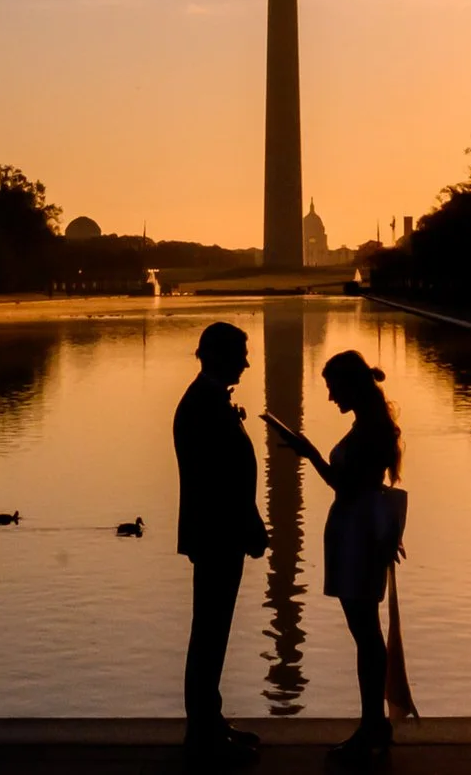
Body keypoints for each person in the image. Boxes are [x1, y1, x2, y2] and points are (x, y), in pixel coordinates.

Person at [269, 349, 406, 766]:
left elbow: (347, 487)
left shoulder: (369, 431)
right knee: (366, 632)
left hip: (357, 535)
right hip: (356, 532)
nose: (329, 396)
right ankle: (374, 723)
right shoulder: (368, 425)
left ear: (350, 385)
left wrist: (308, 452)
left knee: (365, 633)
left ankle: (372, 725)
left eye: (332, 387)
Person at [175, 321, 267, 764]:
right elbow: (218, 481)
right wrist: (249, 523)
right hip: (218, 534)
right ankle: (203, 736)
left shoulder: (207, 400)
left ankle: (210, 722)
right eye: (242, 354)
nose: (248, 363)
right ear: (220, 355)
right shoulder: (205, 405)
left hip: (218, 531)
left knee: (213, 631)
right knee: (209, 633)